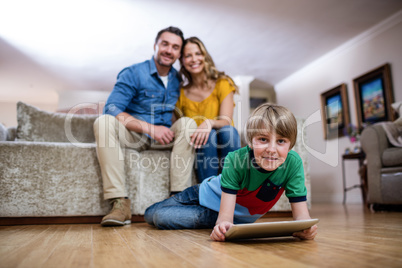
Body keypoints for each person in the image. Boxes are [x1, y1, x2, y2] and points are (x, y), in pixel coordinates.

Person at [144, 103, 318, 242]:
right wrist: (223, 224)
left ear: (290, 144)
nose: (272, 149)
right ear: (250, 141)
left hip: (229, 217)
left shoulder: (293, 163)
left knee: (161, 217)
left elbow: (301, 215)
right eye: (263, 139)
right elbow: (225, 217)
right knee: (152, 215)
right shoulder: (235, 159)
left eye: (281, 141)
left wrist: (306, 228)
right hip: (202, 195)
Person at [94, 26, 197, 226]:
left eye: (175, 47)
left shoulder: (177, 79)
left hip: (164, 138)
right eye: (165, 44)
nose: (169, 50)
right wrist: (150, 128)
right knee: (103, 121)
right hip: (135, 135)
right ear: (155, 45)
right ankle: (119, 203)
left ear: (179, 53)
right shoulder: (134, 72)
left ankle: (178, 200)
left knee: (188, 123)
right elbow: (112, 108)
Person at [175, 37, 241, 182]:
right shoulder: (180, 93)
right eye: (188, 55)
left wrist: (208, 123)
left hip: (226, 139)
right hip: (201, 145)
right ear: (182, 61)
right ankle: (209, 191)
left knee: (228, 131)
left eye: (198, 53)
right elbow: (178, 127)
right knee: (208, 135)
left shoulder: (223, 83)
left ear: (205, 56)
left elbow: (226, 120)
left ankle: (233, 187)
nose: (194, 59)